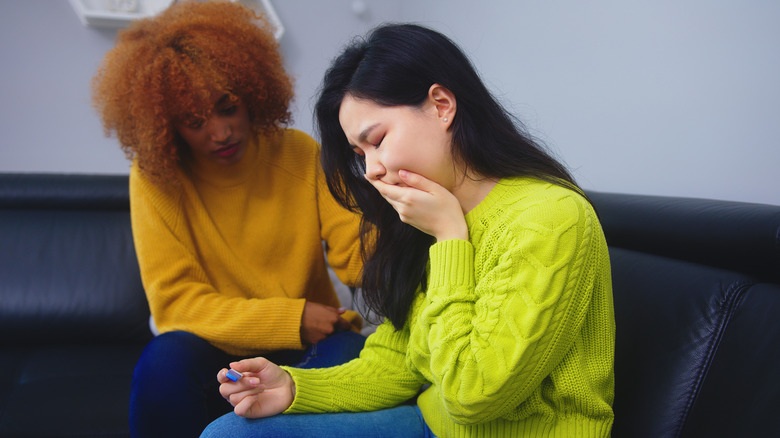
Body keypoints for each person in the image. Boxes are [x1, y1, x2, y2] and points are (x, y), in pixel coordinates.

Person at [201, 23, 616, 438]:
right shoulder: (429, 215)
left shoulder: (548, 218)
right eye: (359, 154)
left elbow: (473, 396)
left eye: (378, 140)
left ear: (441, 105)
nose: (371, 170)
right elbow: (398, 361)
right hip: (432, 423)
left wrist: (452, 240)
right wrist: (294, 387)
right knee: (229, 433)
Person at [90, 1, 367, 437]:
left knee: (354, 355)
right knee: (164, 362)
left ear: (252, 91)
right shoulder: (156, 178)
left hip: (307, 346)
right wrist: (291, 319)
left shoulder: (298, 154)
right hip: (219, 355)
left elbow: (359, 258)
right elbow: (176, 305)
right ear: (165, 125)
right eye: (194, 121)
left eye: (227, 107)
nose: (219, 132)